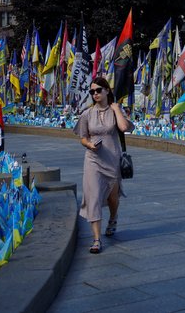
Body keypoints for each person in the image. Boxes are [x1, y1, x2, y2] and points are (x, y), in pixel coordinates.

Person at [75, 77, 134, 254]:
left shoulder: (115, 110)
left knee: (112, 198)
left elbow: (124, 128)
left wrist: (116, 109)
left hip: (112, 160)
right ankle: (96, 239)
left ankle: (113, 217)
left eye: (98, 90)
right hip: (93, 159)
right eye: (92, 92)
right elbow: (83, 137)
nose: (95, 94)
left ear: (107, 90)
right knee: (92, 197)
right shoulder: (87, 114)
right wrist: (89, 145)